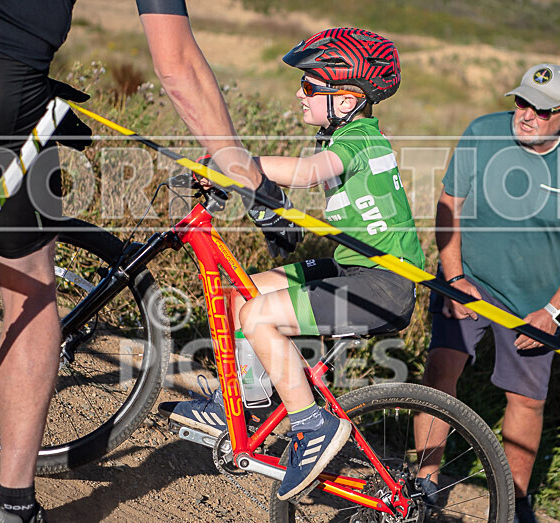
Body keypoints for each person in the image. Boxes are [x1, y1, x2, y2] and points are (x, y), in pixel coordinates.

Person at [0, 1, 300, 521]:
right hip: (1, 89)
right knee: (28, 286)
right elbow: (176, 64)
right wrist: (254, 182)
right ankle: (14, 505)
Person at [159, 28, 424, 500]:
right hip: (356, 270)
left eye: (309, 87)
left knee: (259, 316)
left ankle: (312, 424)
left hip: (386, 284)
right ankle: (246, 401)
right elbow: (291, 185)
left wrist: (236, 161)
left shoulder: (361, 139)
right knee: (245, 292)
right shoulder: (341, 134)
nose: (298, 95)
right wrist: (259, 195)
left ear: (346, 101)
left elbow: (306, 174)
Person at [414, 64, 560, 522]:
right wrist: (454, 278)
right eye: (522, 101)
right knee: (442, 369)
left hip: (536, 302)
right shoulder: (481, 133)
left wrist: (555, 312)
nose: (526, 114)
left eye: (542, 110)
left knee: (526, 400)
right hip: (470, 279)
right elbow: (448, 208)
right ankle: (423, 483)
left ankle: (513, 501)